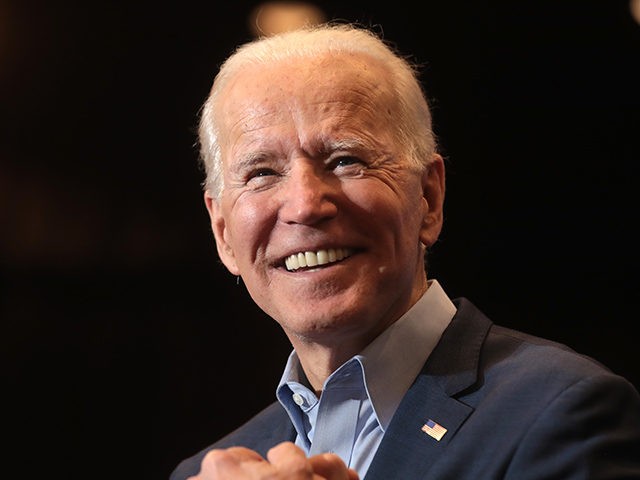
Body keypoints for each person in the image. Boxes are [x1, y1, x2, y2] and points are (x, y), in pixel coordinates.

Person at [170, 22, 640, 480]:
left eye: (345, 160)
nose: (305, 206)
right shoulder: (207, 472)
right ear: (224, 233)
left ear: (428, 199)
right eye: (262, 174)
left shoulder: (560, 412)